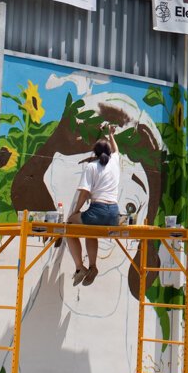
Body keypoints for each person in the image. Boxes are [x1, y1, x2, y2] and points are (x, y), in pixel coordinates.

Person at [66, 122, 121, 286]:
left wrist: (75, 211)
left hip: (98, 211)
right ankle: (93, 266)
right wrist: (111, 135)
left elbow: (84, 193)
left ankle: (79, 267)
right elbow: (117, 151)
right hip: (114, 215)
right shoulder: (115, 162)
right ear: (109, 152)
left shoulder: (91, 167)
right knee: (91, 232)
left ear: (95, 154)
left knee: (69, 227)